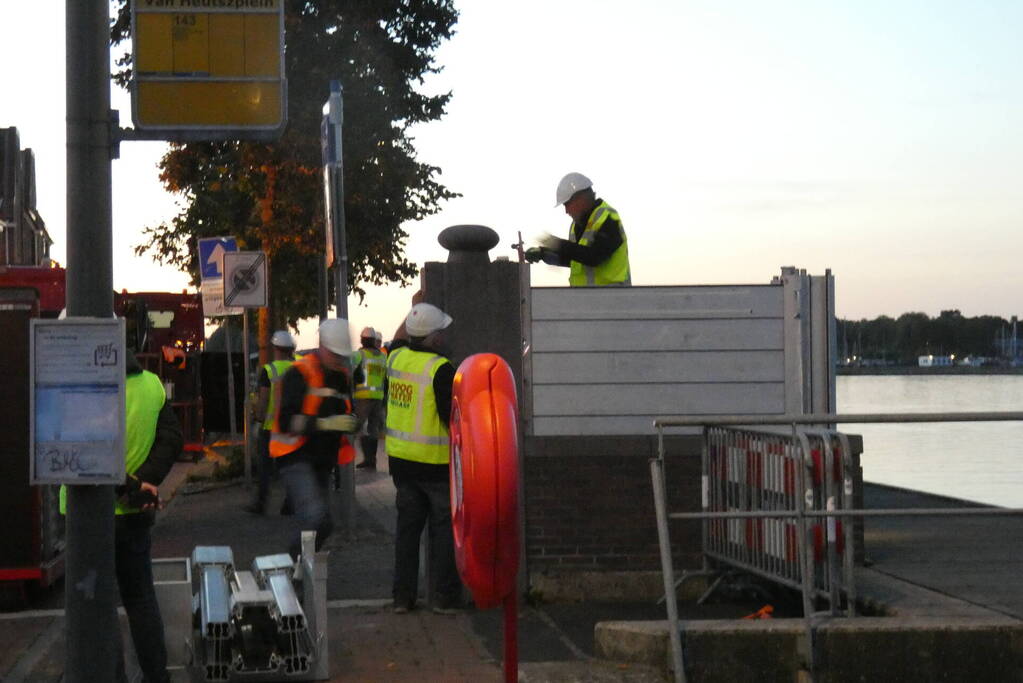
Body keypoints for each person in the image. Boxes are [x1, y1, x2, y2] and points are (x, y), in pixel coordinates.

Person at [61, 350, 183, 683]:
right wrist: (144, 482)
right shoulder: (151, 386)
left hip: (86, 515)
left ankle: (110, 675)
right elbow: (172, 439)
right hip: (134, 514)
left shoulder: (82, 391)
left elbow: (88, 456)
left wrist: (130, 485)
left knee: (95, 603)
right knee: (140, 598)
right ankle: (157, 676)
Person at [385, 302, 463, 614]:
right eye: (440, 331)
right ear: (432, 338)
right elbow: (452, 419)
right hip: (434, 464)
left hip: (401, 464)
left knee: (407, 532)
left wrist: (415, 312)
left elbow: (399, 336)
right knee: (443, 531)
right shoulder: (441, 369)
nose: (444, 336)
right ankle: (443, 599)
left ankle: (402, 599)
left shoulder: (396, 358)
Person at [270, 318, 361, 559]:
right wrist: (325, 424)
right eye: (334, 353)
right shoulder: (299, 373)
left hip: (321, 459)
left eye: (341, 354)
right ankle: (290, 569)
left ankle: (300, 575)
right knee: (315, 518)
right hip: (294, 456)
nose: (338, 359)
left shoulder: (341, 375)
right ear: (321, 346)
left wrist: (351, 421)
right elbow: (286, 422)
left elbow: (344, 409)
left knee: (322, 523)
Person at [525, 172, 632, 286]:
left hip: (614, 297)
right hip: (584, 298)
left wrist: (557, 244)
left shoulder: (608, 218)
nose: (566, 211)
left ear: (580, 199)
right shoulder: (578, 225)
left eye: (567, 204)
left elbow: (595, 257)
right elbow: (575, 259)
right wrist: (543, 253)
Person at [245, 329, 296, 514]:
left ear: (275, 348)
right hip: (291, 427)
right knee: (289, 466)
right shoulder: (298, 368)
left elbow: (264, 400)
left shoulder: (269, 370)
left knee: (265, 468)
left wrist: (258, 417)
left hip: (270, 427)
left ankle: (261, 503)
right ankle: (290, 505)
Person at [352, 326, 387, 470]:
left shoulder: (359, 355)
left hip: (363, 396)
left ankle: (353, 459)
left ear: (362, 339)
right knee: (373, 430)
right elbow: (386, 378)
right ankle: (371, 460)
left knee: (356, 427)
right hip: (378, 397)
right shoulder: (382, 357)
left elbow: (350, 372)